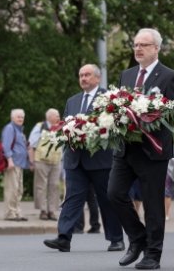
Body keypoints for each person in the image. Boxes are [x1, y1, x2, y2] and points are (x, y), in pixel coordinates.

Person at [107, 28, 174, 270]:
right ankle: (138, 238)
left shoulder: (170, 76)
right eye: (136, 44)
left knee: (152, 204)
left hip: (153, 150)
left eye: (144, 45)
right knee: (114, 193)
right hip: (126, 149)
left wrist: (151, 114)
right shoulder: (127, 75)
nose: (138, 49)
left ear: (156, 48)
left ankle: (153, 254)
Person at [43, 64, 124, 253]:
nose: (83, 78)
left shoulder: (108, 98)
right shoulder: (72, 101)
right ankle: (63, 238)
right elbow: (64, 125)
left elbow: (114, 125)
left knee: (106, 199)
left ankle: (116, 239)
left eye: (87, 75)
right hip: (75, 159)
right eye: (81, 75)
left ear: (97, 78)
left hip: (100, 160)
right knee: (72, 199)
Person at [28, 108, 62, 221]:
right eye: (56, 115)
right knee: (41, 186)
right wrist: (32, 161)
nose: (58, 117)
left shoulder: (60, 128)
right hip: (41, 160)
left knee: (54, 186)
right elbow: (31, 143)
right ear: (49, 117)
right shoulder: (40, 126)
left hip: (56, 161)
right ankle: (42, 210)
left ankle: (51, 211)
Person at [2, 108, 30, 222]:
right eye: (18, 117)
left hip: (20, 163)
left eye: (22, 117)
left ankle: (17, 212)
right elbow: (6, 146)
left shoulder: (20, 130)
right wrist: (10, 160)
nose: (20, 119)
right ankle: (10, 213)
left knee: (19, 189)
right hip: (13, 163)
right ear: (12, 118)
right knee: (12, 189)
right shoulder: (10, 128)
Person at [165, 146, 174, 221]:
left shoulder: (171, 145)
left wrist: (167, 157)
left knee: (166, 193)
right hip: (158, 172)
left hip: (168, 172)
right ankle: (162, 213)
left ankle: (167, 214)